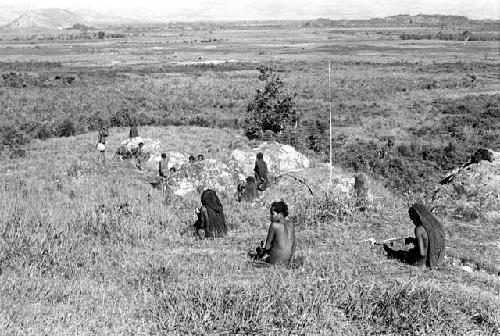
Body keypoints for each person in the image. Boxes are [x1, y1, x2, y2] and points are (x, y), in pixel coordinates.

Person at [383, 203, 445, 268]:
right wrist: (413, 240)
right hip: (435, 262)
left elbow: (422, 253)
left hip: (421, 262)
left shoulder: (419, 229)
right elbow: (428, 242)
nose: (413, 221)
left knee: (399, 254)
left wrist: (419, 263)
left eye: (413, 218)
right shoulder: (434, 228)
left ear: (417, 216)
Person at [250, 201, 295, 265]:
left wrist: (261, 250)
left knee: (259, 258)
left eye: (272, 214)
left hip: (275, 261)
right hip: (288, 261)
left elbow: (267, 247)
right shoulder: (292, 224)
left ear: (280, 214)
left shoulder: (274, 225)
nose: (270, 216)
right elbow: (293, 245)